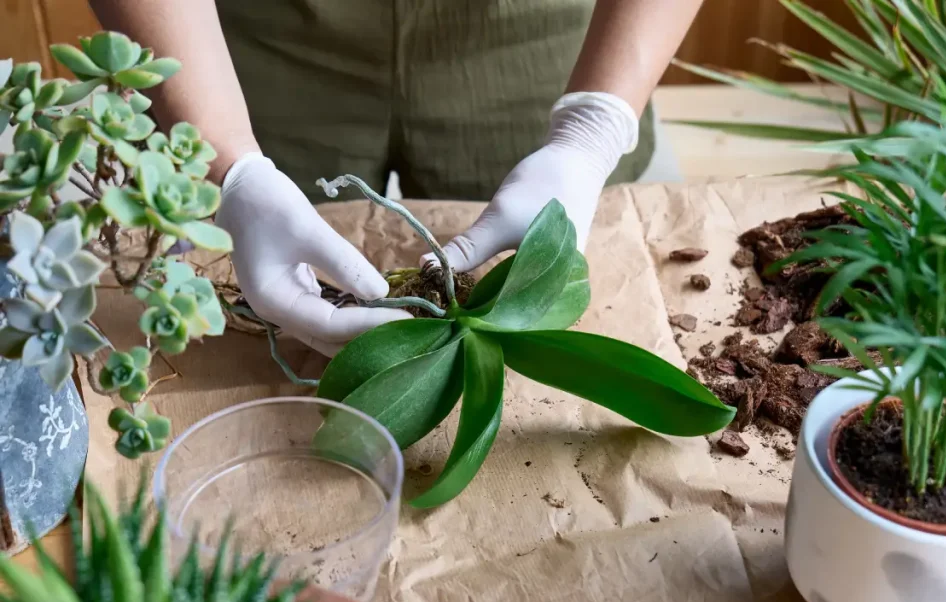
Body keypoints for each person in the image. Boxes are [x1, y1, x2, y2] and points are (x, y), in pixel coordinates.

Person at [89, 0, 703, 356]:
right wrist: (230, 167)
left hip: (540, 38)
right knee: (232, 275)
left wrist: (594, 127)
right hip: (241, 42)